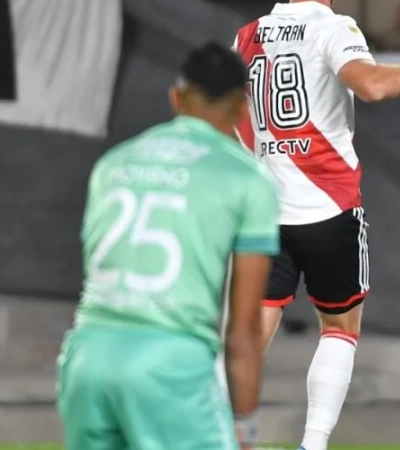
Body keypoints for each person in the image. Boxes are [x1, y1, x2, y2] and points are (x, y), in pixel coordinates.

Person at [230, 0, 400, 450]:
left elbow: (235, 119)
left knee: (251, 333)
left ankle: (217, 436)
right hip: (328, 207)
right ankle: (313, 445)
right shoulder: (334, 27)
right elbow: (371, 85)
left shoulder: (247, 36)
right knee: (339, 327)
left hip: (265, 210)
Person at [57, 43, 278, 450]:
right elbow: (244, 329)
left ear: (176, 98)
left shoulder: (114, 163)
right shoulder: (246, 178)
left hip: (87, 355)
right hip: (169, 362)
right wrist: (245, 427)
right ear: (242, 109)